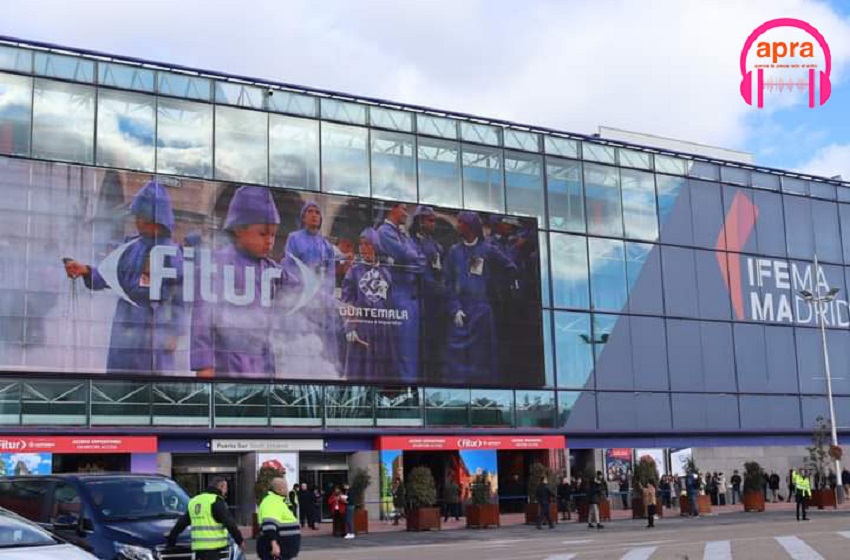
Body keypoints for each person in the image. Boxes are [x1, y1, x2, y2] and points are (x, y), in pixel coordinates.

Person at [63, 181, 184, 374]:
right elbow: (108, 275)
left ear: (156, 220)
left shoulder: (172, 253)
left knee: (151, 384)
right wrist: (85, 270)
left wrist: (174, 332)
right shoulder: (130, 247)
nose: (136, 222)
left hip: (153, 328)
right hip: (125, 328)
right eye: (137, 217)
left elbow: (180, 298)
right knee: (120, 381)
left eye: (141, 218)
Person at [190, 186, 297, 378]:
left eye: (273, 234)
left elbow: (300, 292)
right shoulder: (216, 264)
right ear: (239, 230)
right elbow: (202, 319)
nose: (270, 241)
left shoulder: (271, 269)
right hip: (227, 361)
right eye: (263, 234)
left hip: (264, 361)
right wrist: (204, 365)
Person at [443, 211, 518, 383]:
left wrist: (494, 287)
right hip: (460, 313)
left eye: (461, 222)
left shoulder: (488, 250)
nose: (457, 225)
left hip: (481, 312)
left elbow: (510, 268)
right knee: (457, 358)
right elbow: (447, 282)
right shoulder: (454, 252)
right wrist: (455, 309)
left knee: (483, 357)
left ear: (470, 226)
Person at [282, 200, 340, 364]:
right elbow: (290, 267)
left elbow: (331, 275)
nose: (314, 215)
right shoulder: (294, 238)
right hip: (301, 301)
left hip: (321, 305)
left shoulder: (326, 246)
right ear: (303, 217)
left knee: (323, 345)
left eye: (317, 212)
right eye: (310, 212)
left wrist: (325, 298)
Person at [376, 202, 426, 383]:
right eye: (404, 209)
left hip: (411, 297)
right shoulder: (385, 232)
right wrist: (413, 260)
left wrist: (413, 260)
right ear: (392, 209)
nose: (406, 213)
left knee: (412, 350)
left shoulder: (402, 233)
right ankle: (405, 388)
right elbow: (405, 256)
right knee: (404, 350)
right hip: (399, 295)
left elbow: (420, 260)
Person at [340, 228, 398, 380]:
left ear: (376, 246)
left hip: (382, 331)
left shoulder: (386, 273)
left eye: (368, 244)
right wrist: (350, 327)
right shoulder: (354, 271)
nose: (363, 248)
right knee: (359, 373)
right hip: (361, 328)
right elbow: (347, 300)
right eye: (361, 244)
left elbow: (390, 304)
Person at [410, 206, 446, 382]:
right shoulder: (409, 243)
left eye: (434, 220)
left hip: (434, 305)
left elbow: (441, 274)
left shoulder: (437, 247)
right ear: (420, 221)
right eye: (430, 220)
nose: (433, 224)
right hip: (414, 300)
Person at [167, 477, 244, 560]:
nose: (226, 491)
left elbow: (182, 523)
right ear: (221, 487)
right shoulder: (216, 501)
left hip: (198, 551)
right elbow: (230, 523)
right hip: (213, 550)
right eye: (226, 488)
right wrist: (239, 540)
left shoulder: (195, 501)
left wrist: (172, 538)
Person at [256, 477, 301, 560]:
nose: (288, 490)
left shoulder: (277, 501)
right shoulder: (272, 502)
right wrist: (274, 544)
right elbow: (269, 525)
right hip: (277, 552)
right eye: (286, 487)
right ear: (280, 489)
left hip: (282, 551)